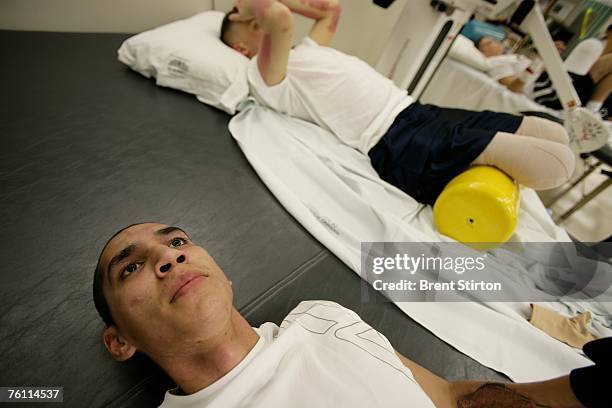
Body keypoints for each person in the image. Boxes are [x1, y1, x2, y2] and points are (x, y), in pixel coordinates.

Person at [92, 222, 609, 407]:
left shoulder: (321, 316)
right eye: (131, 266)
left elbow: (453, 400)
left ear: (226, 280)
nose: (170, 256)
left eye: (178, 241)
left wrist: (581, 391)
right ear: (119, 342)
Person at [220, 0, 575, 206]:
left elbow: (330, 10)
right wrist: (247, 8)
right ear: (241, 49)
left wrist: (250, 11)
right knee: (559, 163)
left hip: (417, 111)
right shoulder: (264, 75)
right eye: (241, 14)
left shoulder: (306, 51)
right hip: (398, 144)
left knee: (553, 133)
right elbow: (279, 20)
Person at [476, 33, 612, 117]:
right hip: (545, 91)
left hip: (550, 81)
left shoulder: (512, 57)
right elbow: (513, 87)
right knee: (605, 63)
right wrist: (539, 60)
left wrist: (550, 56)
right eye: (488, 42)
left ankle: (591, 110)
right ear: (483, 52)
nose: (495, 41)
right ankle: (590, 111)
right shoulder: (495, 63)